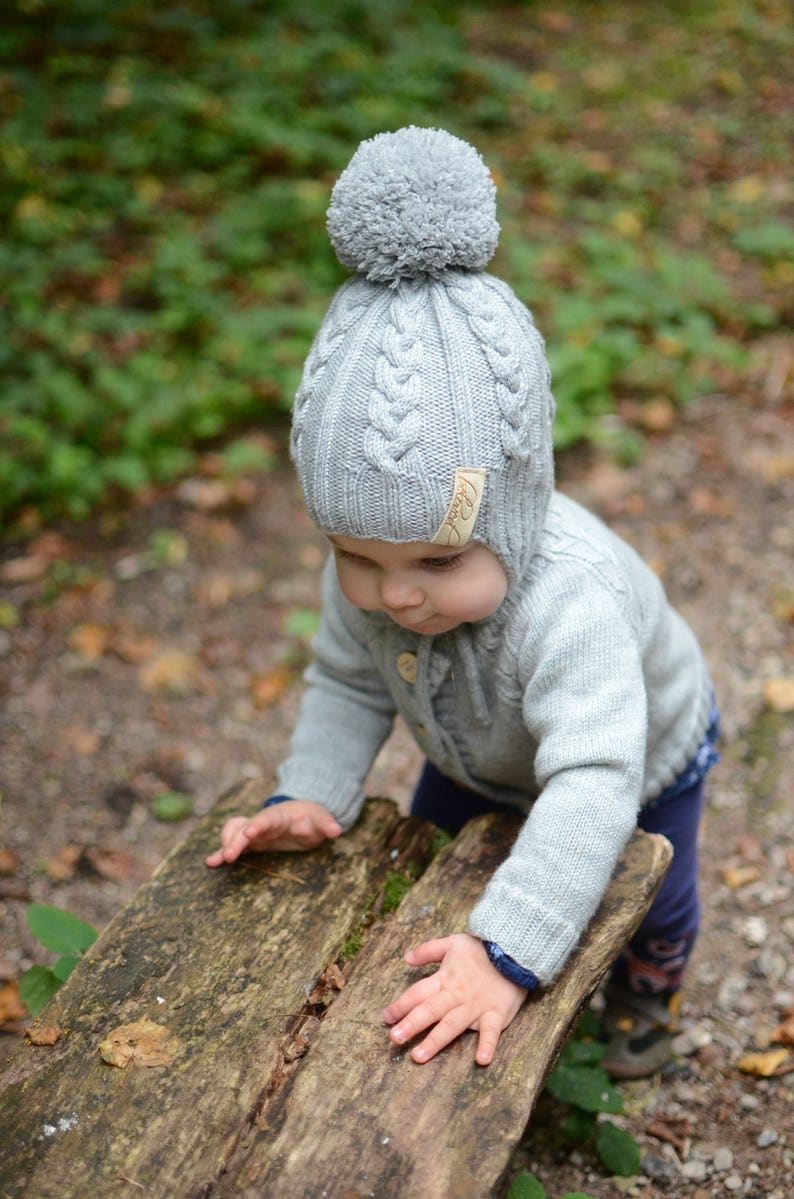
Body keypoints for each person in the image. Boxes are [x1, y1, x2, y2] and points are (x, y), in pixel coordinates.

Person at [206, 126, 719, 1079]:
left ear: (513, 519)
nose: (395, 592)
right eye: (355, 555)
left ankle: (650, 985)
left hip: (638, 754)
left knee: (653, 884)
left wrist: (510, 951)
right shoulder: (382, 576)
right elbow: (348, 682)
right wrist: (313, 788)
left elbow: (593, 782)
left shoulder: (573, 603)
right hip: (480, 748)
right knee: (435, 863)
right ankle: (442, 957)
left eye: (438, 562)